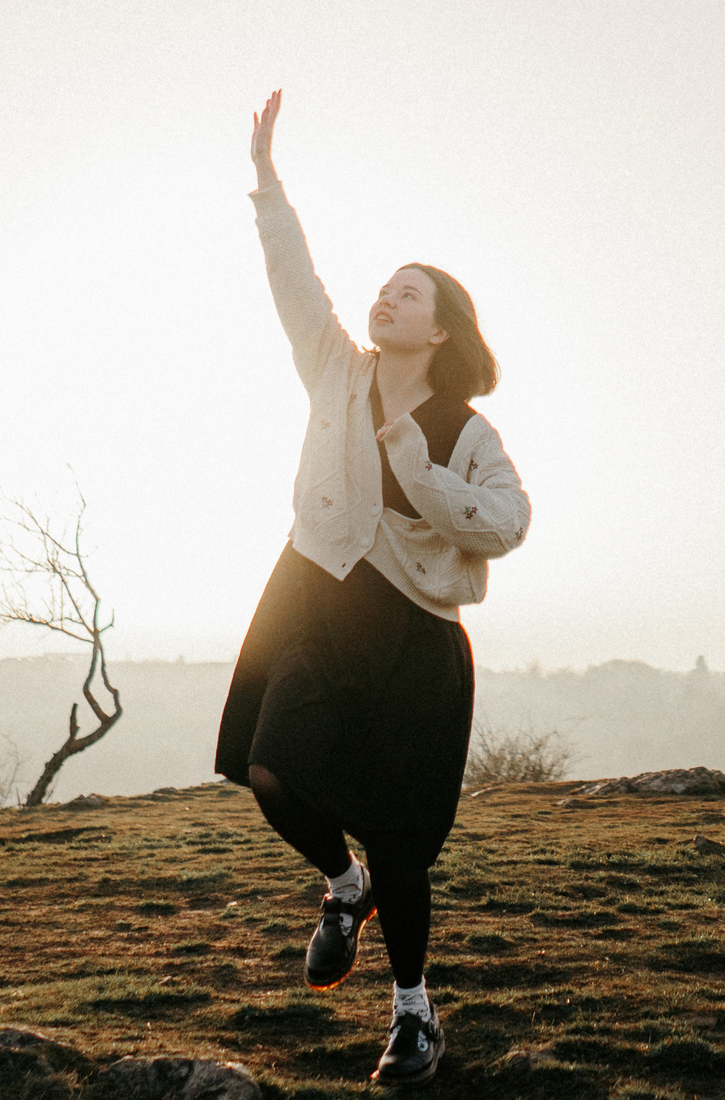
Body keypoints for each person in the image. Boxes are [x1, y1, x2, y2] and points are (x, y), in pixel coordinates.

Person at [214, 89, 531, 1086]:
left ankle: (412, 1013)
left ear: (439, 331)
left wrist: (420, 471)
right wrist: (267, 183)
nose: (385, 300)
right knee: (271, 771)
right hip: (312, 597)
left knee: (403, 842)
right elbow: (293, 278)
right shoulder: (336, 370)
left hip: (411, 638)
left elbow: (508, 523)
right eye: (384, 290)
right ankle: (343, 885)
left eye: (408, 295)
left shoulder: (466, 431)